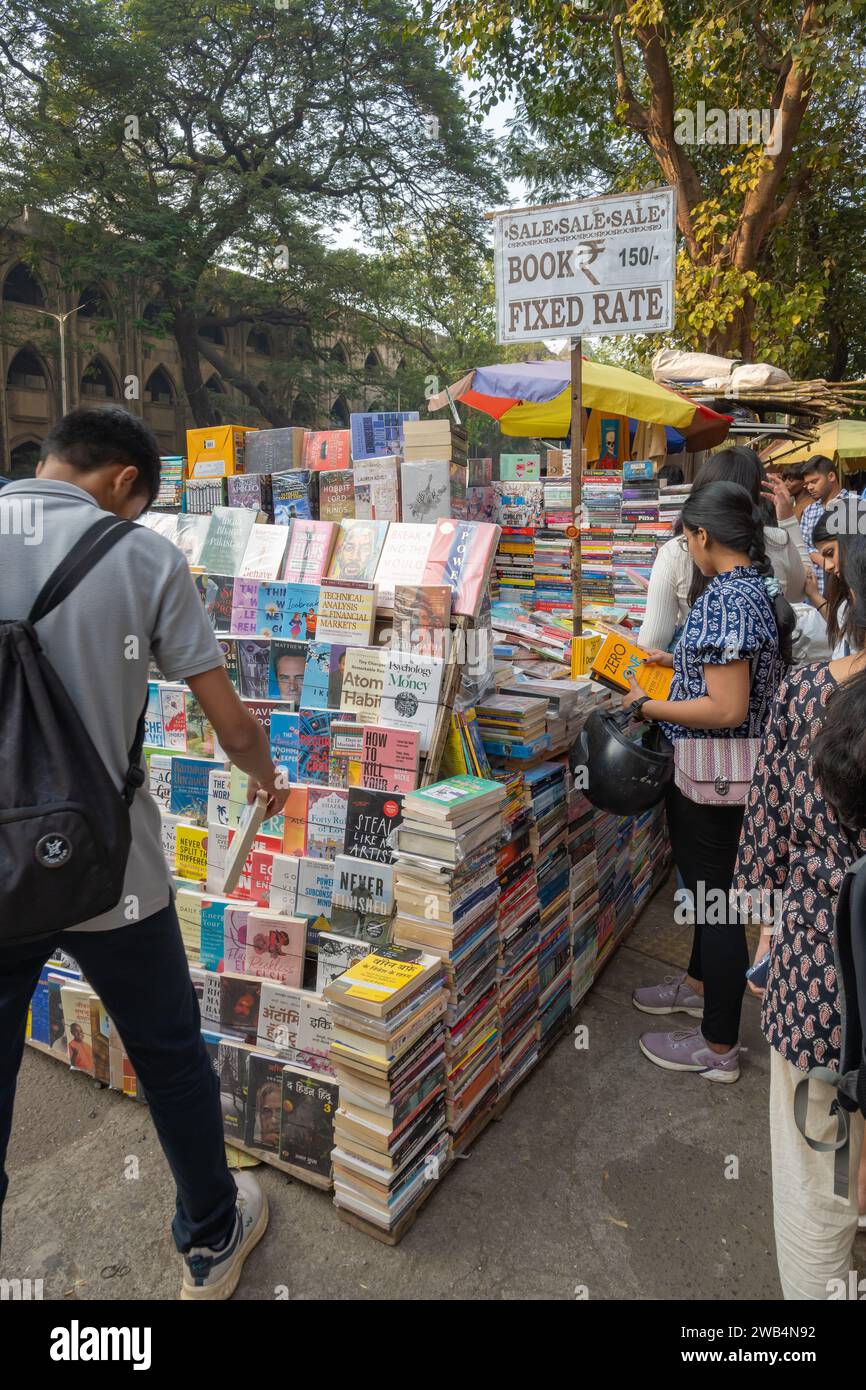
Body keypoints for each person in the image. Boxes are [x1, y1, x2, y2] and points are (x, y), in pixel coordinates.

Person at [0, 407, 284, 1300]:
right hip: (110, 870)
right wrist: (266, 774)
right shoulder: (143, 557)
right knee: (167, 1052)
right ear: (126, 481)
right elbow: (228, 721)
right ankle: (209, 1237)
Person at [735, 531, 866, 1297]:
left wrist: (765, 952)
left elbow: (764, 847)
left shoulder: (807, 695)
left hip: (818, 982)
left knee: (815, 1199)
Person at [626, 481, 792, 1082]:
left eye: (687, 537)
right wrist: (681, 663)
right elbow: (733, 674)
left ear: (702, 536)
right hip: (739, 774)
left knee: (715, 903)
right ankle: (698, 985)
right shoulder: (753, 587)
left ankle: (719, 1047)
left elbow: (724, 707)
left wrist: (649, 707)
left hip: (714, 777)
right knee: (708, 896)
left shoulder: (726, 600)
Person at [638, 446, 809, 653]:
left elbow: (651, 643)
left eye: (688, 541)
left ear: (702, 536)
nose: (687, 546)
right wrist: (788, 520)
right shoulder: (777, 541)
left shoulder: (725, 607)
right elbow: (802, 589)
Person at [800, 454, 850, 593]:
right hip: (818, 590)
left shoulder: (855, 504)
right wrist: (824, 560)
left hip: (849, 589)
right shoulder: (810, 510)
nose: (809, 487)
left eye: (814, 481)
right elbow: (803, 546)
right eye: (806, 484)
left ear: (831, 476)